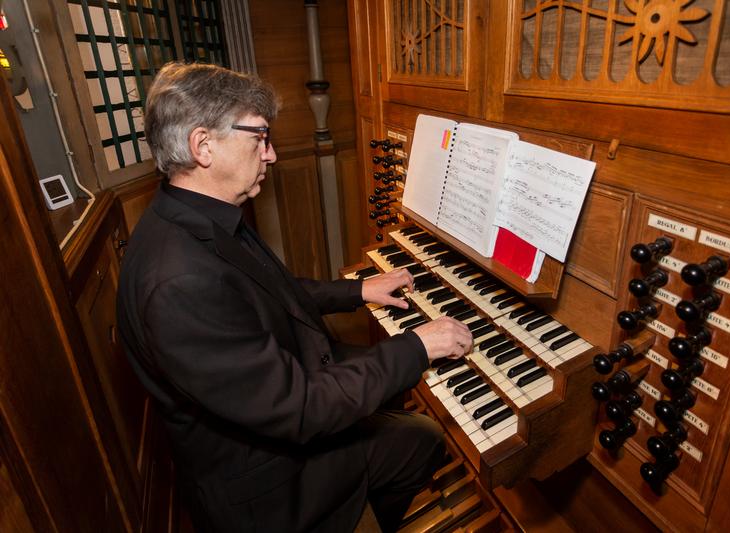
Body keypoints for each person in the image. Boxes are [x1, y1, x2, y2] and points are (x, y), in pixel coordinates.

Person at [116, 61, 474, 533]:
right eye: (259, 137)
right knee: (421, 438)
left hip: (275, 413)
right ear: (202, 146)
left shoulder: (196, 215)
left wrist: (357, 290)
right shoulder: (179, 281)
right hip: (272, 490)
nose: (272, 155)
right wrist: (418, 346)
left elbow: (269, 292)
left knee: (408, 421)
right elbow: (301, 409)